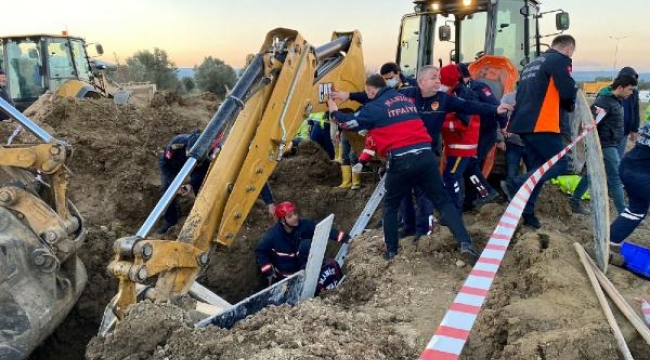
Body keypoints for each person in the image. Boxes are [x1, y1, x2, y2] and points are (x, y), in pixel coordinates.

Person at [328, 74, 510, 261]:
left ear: (372, 92)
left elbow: (347, 123)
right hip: (426, 155)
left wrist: (333, 109)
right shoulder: (406, 99)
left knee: (391, 205)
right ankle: (465, 243)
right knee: (442, 201)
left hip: (401, 159)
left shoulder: (376, 107)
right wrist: (348, 94)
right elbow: (467, 106)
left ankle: (391, 252)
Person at [501, 34, 578, 229]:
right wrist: (570, 104)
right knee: (561, 165)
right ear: (568, 49)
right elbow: (568, 91)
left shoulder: (531, 65)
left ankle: (528, 214)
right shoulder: (559, 60)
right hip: (543, 124)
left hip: (523, 125)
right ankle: (515, 183)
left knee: (538, 170)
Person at [156, 131, 276, 234]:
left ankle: (202, 218)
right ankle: (170, 221)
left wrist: (190, 185)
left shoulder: (217, 153)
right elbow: (164, 164)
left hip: (199, 168)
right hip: (174, 166)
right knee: (168, 189)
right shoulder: (177, 145)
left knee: (202, 191)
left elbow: (255, 174)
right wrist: (174, 184)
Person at [569, 74, 638, 215]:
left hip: (609, 143)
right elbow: (589, 123)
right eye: (630, 89)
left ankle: (575, 201)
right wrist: (594, 144)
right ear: (620, 87)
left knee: (590, 174)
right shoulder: (604, 101)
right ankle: (622, 211)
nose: (631, 93)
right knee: (616, 177)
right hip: (606, 145)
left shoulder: (615, 100)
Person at [255, 201, 350, 286]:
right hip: (287, 279)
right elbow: (261, 251)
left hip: (308, 273)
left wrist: (346, 238)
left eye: (295, 214)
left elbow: (325, 231)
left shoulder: (305, 225)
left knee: (306, 245)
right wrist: (268, 272)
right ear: (282, 221)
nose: (295, 217)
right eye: (290, 216)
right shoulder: (273, 235)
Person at [457, 63, 504, 210]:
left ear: (465, 77)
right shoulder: (457, 90)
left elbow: (497, 107)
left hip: (485, 133)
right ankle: (469, 202)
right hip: (470, 134)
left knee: (471, 164)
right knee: (469, 166)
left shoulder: (480, 88)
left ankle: (487, 192)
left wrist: (503, 128)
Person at [609, 122, 650, 249]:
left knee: (636, 209)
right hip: (641, 175)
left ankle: (610, 241)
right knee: (637, 208)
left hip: (629, 167)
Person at [616, 67, 640, 158]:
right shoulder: (614, 92)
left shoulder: (634, 93)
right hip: (612, 133)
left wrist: (634, 129)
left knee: (619, 157)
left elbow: (635, 111)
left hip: (625, 132)